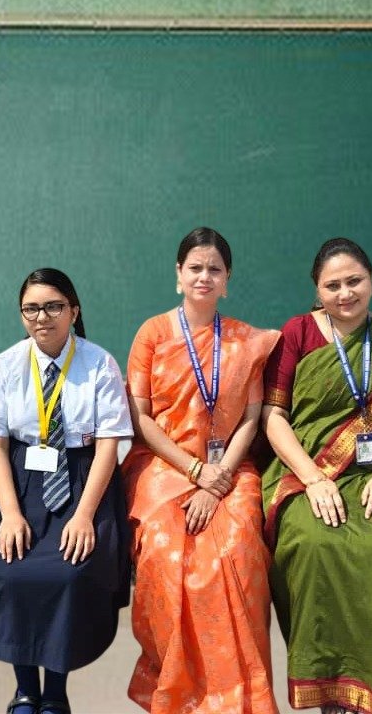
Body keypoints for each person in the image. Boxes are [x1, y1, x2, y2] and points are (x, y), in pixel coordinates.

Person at [262, 237, 372, 714]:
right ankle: (332, 690)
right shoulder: (297, 333)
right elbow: (274, 416)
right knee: (313, 541)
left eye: (354, 281)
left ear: (371, 282)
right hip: (307, 469)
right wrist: (313, 479)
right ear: (317, 291)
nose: (345, 293)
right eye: (333, 285)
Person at [123, 227, 282, 714]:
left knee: (240, 547)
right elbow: (140, 418)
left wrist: (217, 482)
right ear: (178, 275)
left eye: (215, 269)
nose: (204, 277)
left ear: (227, 279)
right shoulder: (153, 334)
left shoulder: (244, 341)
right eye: (195, 268)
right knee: (165, 553)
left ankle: (241, 699)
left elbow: (252, 418)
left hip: (229, 469)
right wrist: (194, 468)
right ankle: (178, 695)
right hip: (164, 465)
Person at [0, 268, 133, 714]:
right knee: (11, 570)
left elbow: (108, 444)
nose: (42, 317)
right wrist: (9, 513)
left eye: (54, 306)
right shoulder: (6, 365)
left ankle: (56, 691)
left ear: (73, 311)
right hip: (20, 480)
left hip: (81, 479)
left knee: (69, 574)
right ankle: (25, 690)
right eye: (32, 309)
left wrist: (84, 515)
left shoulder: (99, 363)